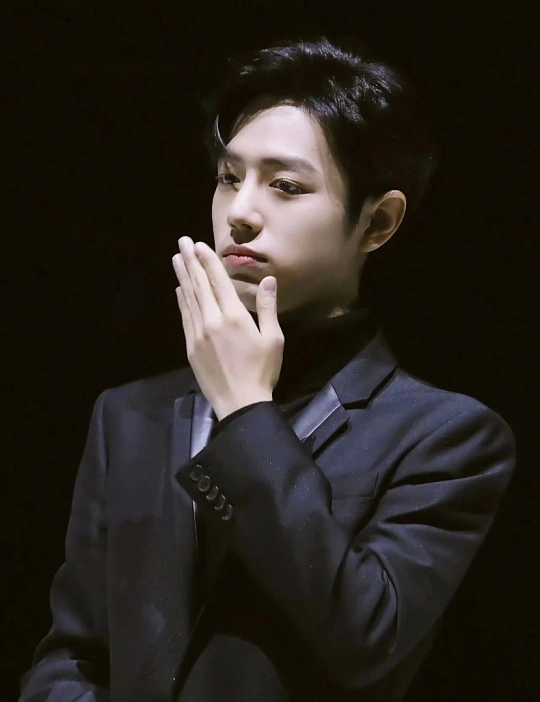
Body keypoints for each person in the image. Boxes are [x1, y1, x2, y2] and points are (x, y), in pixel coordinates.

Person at [19, 37, 516, 701]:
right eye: (229, 177)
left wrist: (247, 410)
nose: (241, 213)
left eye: (286, 186)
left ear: (377, 223)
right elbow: (73, 655)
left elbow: (365, 639)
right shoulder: (128, 415)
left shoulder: (449, 438)